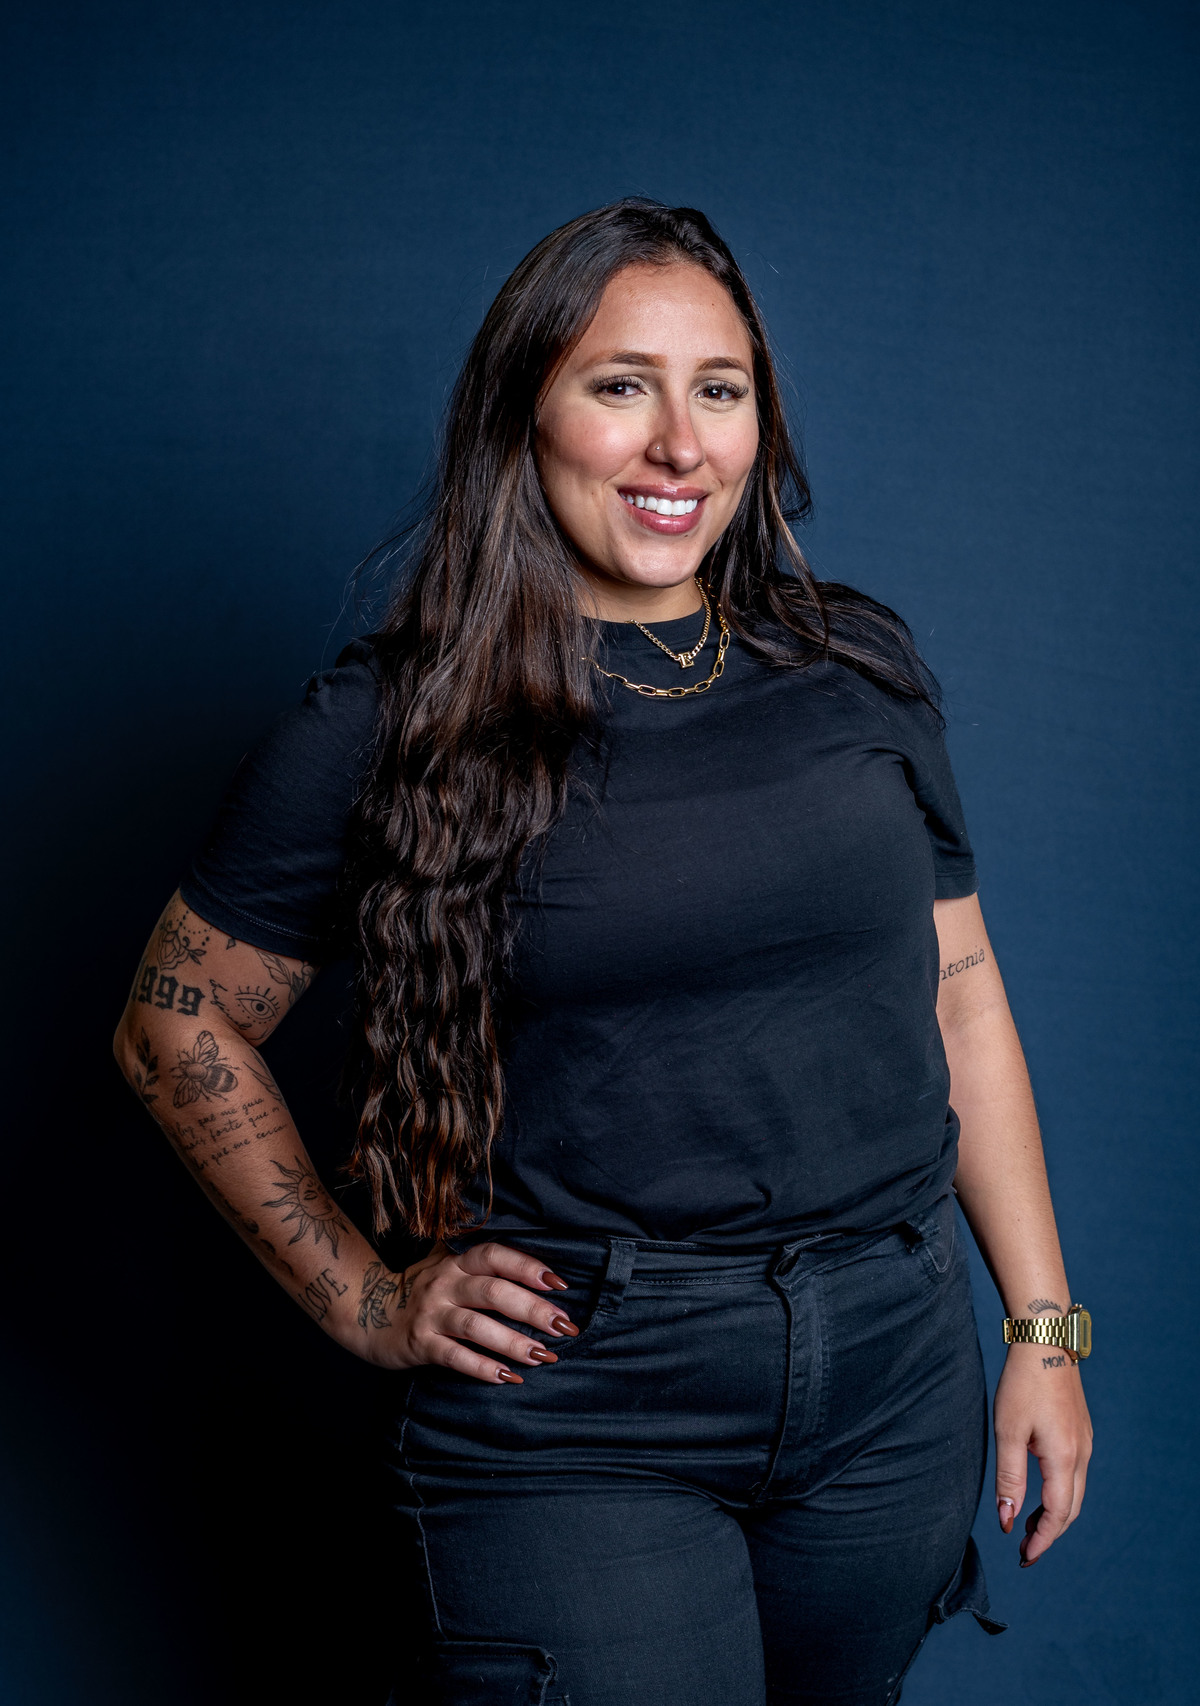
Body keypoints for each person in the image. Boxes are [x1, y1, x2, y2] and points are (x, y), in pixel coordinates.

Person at [114, 198, 1092, 1706]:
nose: (679, 444)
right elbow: (173, 1023)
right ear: (527, 411)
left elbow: (959, 992)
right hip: (583, 1403)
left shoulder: (857, 669)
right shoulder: (394, 724)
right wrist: (367, 1297)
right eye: (621, 384)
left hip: (893, 1375)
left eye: (720, 389)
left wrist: (1044, 1327)